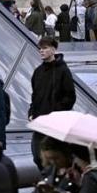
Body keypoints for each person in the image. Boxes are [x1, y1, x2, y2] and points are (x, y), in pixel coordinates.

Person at [29, 36, 77, 170]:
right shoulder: (38, 72)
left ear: (53, 50)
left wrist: (56, 111)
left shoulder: (63, 71)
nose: (41, 51)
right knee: (37, 155)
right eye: (40, 49)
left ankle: (56, 179)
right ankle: (49, 177)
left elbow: (70, 97)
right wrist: (31, 111)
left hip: (55, 122)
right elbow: (35, 95)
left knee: (56, 154)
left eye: (44, 48)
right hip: (39, 120)